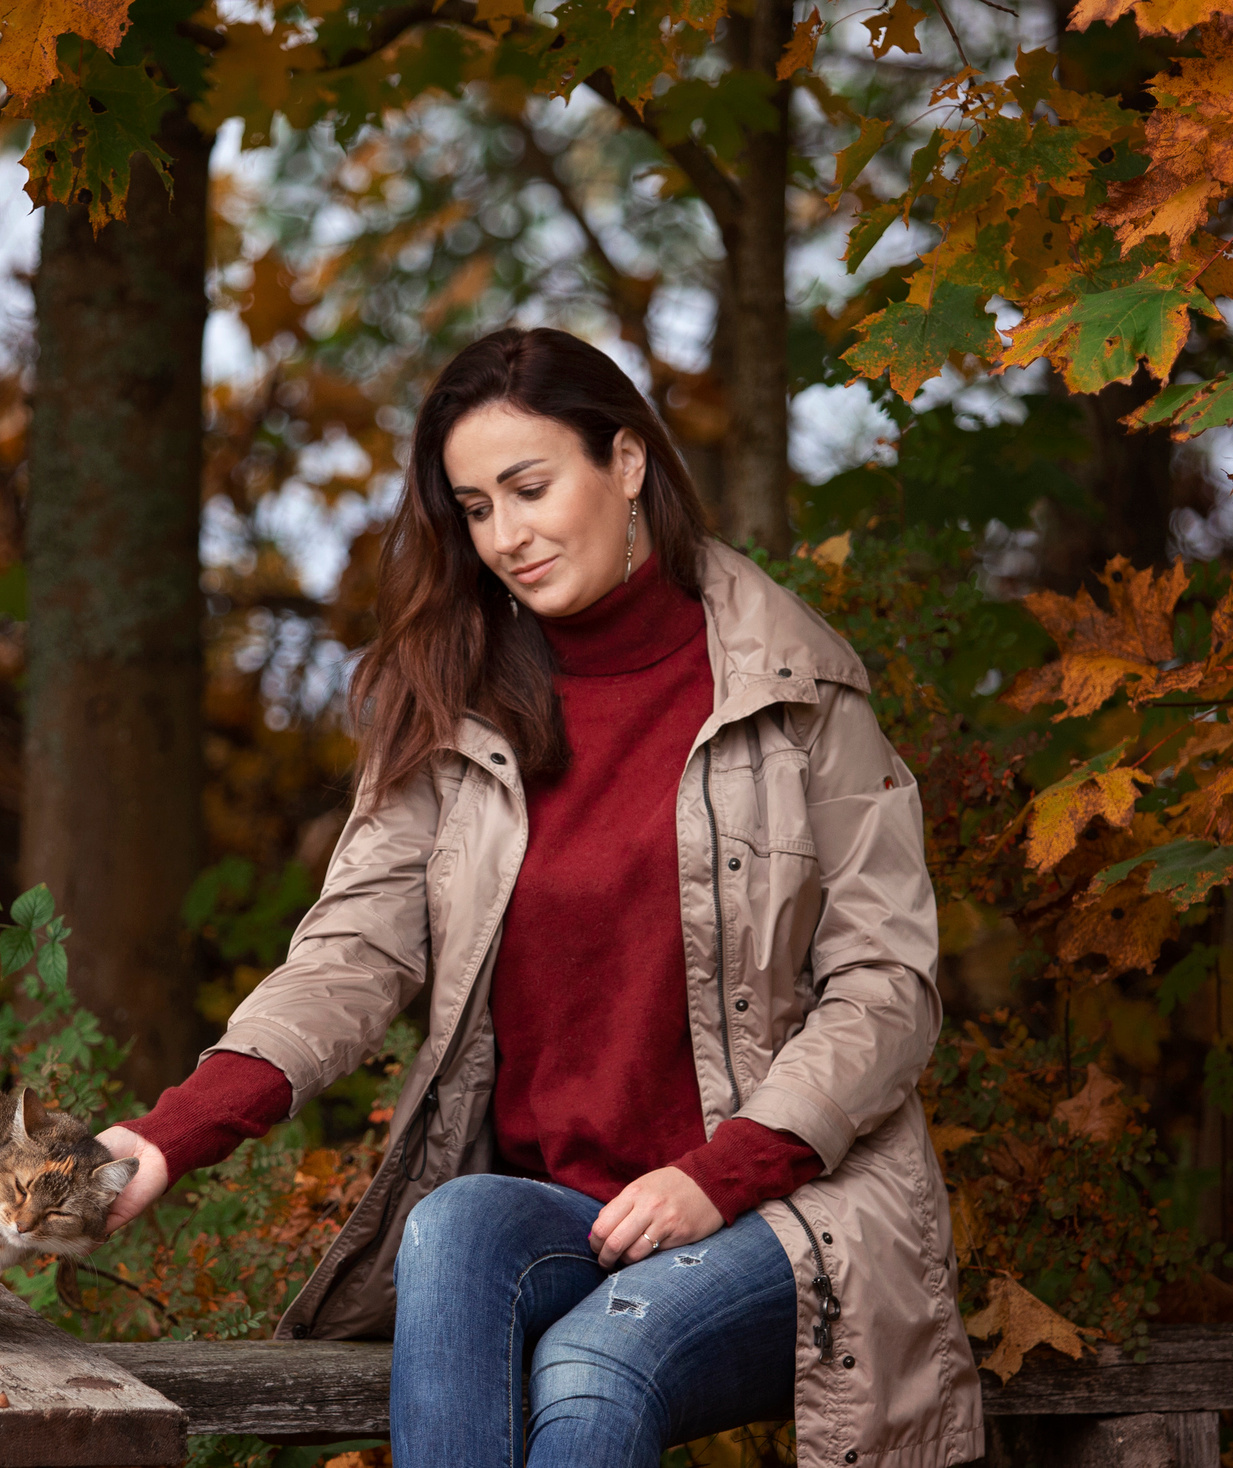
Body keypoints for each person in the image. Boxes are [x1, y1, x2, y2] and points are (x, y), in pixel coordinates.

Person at [95, 327, 981, 1468]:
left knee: (593, 1365)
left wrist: (720, 1176)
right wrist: (170, 1137)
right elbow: (348, 958)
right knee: (455, 1222)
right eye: (473, 507)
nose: (505, 537)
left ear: (625, 463)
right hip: (569, 1213)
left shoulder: (801, 696)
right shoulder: (451, 708)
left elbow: (886, 991)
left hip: (790, 1213)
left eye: (529, 487)